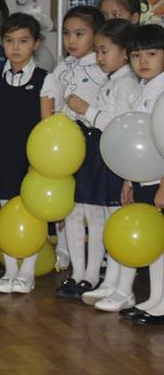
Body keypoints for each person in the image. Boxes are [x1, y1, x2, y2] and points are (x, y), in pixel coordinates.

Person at [66, 20, 139, 310]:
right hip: (105, 155)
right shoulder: (112, 81)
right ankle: (111, 282)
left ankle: (124, 287)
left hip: (117, 158)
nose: (99, 57)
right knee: (109, 220)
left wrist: (87, 110)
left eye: (104, 51)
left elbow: (120, 124)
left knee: (117, 220)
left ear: (125, 52)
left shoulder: (127, 84)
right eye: (97, 51)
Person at [41, 6, 105, 298]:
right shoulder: (63, 66)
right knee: (72, 210)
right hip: (65, 145)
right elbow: (49, 97)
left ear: (96, 35)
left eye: (80, 34)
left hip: (92, 142)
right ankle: (77, 273)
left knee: (93, 210)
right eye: (67, 33)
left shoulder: (102, 69)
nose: (71, 40)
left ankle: (92, 274)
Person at [0, 13, 46, 295]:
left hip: (32, 158)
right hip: (3, 154)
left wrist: (39, 162)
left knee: (33, 211)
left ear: (36, 43)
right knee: (6, 210)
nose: (16, 47)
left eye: (23, 41)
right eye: (9, 41)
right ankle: (10, 269)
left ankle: (27, 271)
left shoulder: (45, 79)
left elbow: (46, 125)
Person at [117, 24, 164, 325]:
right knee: (154, 241)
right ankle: (155, 298)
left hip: (160, 179)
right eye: (136, 55)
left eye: (152, 54)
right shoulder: (143, 89)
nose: (143, 61)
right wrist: (129, 178)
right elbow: (135, 141)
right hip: (144, 177)